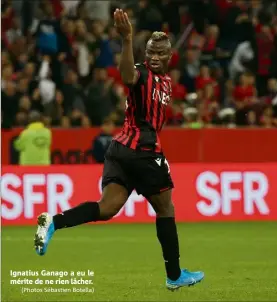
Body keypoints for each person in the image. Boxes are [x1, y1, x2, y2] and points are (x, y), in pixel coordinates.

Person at [34, 9, 204, 290]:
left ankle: (53, 222)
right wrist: (126, 40)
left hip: (120, 149)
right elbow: (128, 76)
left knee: (107, 208)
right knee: (165, 207)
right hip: (143, 150)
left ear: (170, 56)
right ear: (144, 53)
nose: (154, 56)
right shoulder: (142, 74)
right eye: (150, 51)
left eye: (160, 52)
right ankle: (174, 275)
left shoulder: (167, 82)